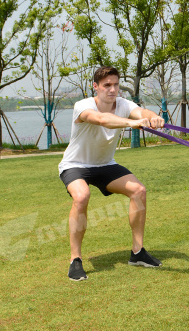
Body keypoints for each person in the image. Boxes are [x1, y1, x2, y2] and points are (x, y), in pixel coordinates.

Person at [58, 66, 165, 281]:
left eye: (116, 84)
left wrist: (153, 117)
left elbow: (142, 113)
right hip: (75, 164)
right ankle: (75, 259)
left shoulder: (124, 105)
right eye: (107, 85)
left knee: (138, 190)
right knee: (81, 196)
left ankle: (137, 252)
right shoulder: (83, 106)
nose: (112, 89)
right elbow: (100, 119)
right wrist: (132, 123)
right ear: (96, 87)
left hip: (105, 164)